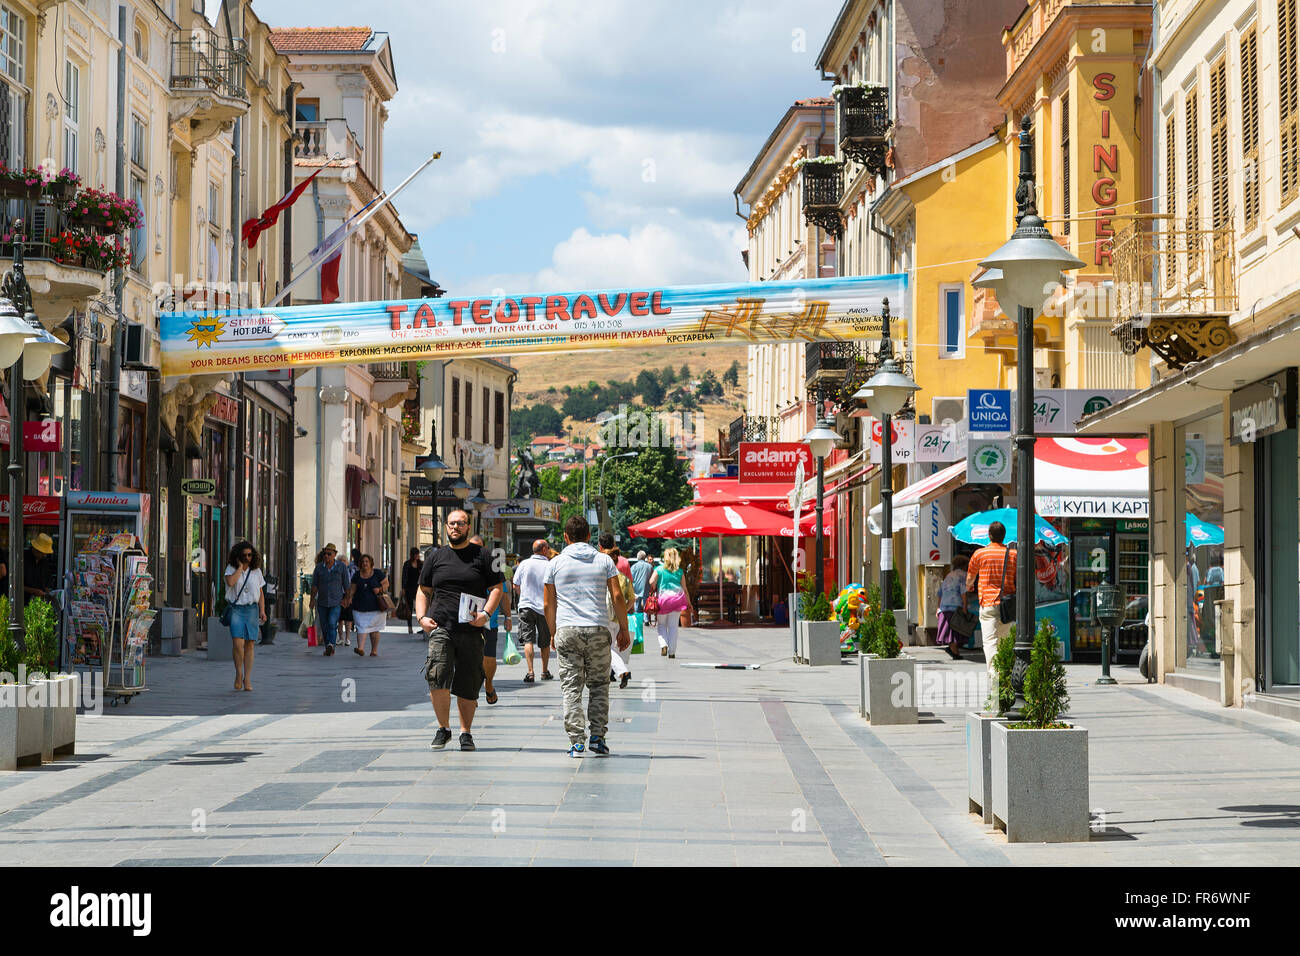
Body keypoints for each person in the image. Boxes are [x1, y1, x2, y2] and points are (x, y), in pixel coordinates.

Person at [415, 509, 503, 752]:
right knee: (437, 675)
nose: (455, 527)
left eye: (460, 524)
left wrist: (485, 614)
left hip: (472, 628)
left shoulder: (484, 555)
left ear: (468, 526)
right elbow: (423, 590)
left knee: (469, 681)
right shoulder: (435, 556)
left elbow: (497, 587)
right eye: (452, 523)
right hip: (441, 626)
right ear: (446, 527)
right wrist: (422, 617)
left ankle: (466, 733)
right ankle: (443, 728)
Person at [544, 515, 630, 757]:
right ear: (590, 536)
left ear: (565, 537)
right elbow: (617, 597)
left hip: (567, 630)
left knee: (571, 687)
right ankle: (597, 738)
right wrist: (623, 628)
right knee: (599, 685)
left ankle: (576, 741)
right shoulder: (604, 561)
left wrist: (553, 632)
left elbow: (548, 603)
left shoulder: (555, 564)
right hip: (597, 628)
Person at [966, 522, 1016, 682]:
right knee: (1005, 642)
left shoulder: (980, 554)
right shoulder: (1013, 555)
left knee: (990, 643)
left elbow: (969, 578)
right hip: (1007, 605)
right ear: (1004, 536)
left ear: (989, 535)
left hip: (988, 603)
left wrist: (970, 586)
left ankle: (995, 678)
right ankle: (1006, 676)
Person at [469, 535, 511, 705]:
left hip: (489, 619)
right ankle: (470, 691)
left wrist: (508, 617)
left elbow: (503, 594)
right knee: (468, 657)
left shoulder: (493, 567)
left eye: (478, 547)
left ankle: (489, 684)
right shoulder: (460, 565)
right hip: (466, 620)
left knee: (489, 656)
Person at [223, 541, 266, 691]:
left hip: (252, 609)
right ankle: (238, 673)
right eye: (244, 555)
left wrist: (262, 610)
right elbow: (230, 582)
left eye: (250, 555)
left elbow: (260, 593)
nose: (248, 557)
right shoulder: (231, 569)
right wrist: (240, 568)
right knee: (237, 643)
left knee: (250, 644)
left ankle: (247, 678)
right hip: (236, 609)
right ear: (238, 556)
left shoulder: (257, 571)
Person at [512, 538, 554, 683]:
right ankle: (544, 671)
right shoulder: (550, 565)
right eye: (548, 548)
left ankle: (530, 672)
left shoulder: (524, 564)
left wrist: (523, 596)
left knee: (528, 640)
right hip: (544, 608)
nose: (549, 550)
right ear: (544, 550)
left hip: (526, 606)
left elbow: (515, 584)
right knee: (545, 642)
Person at [597, 535, 636, 689]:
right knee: (612, 646)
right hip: (618, 617)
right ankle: (612, 673)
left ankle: (622, 671)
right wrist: (623, 612)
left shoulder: (601, 575)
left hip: (603, 615)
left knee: (608, 647)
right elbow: (632, 599)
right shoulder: (623, 578)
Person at [650, 546, 691, 658]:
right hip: (677, 600)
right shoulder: (680, 571)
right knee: (673, 627)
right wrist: (689, 603)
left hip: (663, 600)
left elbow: (651, 581)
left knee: (662, 624)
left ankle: (663, 645)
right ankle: (672, 652)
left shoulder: (659, 569)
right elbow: (685, 589)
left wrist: (655, 585)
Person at [310, 543, 350, 656]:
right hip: (322, 601)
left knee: (332, 623)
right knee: (324, 625)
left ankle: (331, 645)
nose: (326, 556)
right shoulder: (319, 568)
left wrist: (347, 598)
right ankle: (328, 645)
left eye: (329, 554)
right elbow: (314, 585)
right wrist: (312, 599)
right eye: (325, 554)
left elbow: (346, 584)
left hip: (336, 601)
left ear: (334, 555)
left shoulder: (341, 567)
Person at [348, 554, 389, 657]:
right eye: (362, 561)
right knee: (361, 627)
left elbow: (386, 584)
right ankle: (360, 648)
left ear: (371, 563)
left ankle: (374, 650)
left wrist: (379, 589)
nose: (364, 563)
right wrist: (349, 598)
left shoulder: (377, 573)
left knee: (374, 629)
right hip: (359, 606)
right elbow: (352, 588)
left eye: (366, 561)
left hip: (376, 606)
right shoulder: (357, 575)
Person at [936, 553, 970, 660]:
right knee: (956, 629)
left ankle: (954, 650)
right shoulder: (963, 575)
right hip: (955, 605)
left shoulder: (949, 575)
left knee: (949, 629)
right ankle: (954, 650)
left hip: (944, 606)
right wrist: (965, 607)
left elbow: (940, 592)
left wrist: (938, 607)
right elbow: (963, 592)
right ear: (964, 565)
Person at [629, 549, 652, 650]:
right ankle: (646, 619)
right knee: (646, 604)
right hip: (646, 587)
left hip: (636, 588)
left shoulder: (634, 566)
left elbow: (631, 578)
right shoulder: (649, 566)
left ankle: (639, 621)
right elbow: (651, 577)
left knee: (638, 607)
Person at [338, 548, 362, 647]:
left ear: (347, 562)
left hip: (348, 596)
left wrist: (351, 597)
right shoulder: (337, 571)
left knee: (348, 619)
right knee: (339, 619)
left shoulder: (351, 570)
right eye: (340, 561)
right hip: (339, 596)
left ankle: (347, 638)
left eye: (344, 561)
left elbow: (353, 584)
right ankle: (340, 638)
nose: (343, 563)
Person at [24, 533, 56, 604]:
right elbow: (16, 585)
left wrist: (48, 592)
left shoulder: (44, 562)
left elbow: (47, 580)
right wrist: (34, 591)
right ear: (36, 549)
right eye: (43, 553)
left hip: (40, 603)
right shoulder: (23, 559)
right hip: (23, 601)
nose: (45, 555)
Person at [401, 548, 423, 635]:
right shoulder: (407, 564)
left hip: (419, 589)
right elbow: (404, 577)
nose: (417, 556)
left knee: (420, 608)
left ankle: (422, 627)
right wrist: (403, 588)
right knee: (409, 608)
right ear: (412, 555)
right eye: (415, 554)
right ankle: (410, 627)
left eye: (417, 554)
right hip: (409, 589)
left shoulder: (420, 564)